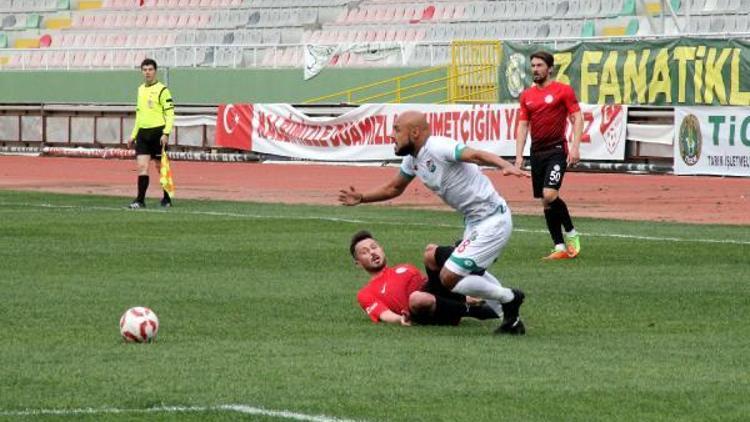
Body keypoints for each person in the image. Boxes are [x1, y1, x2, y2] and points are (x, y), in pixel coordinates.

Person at [339, 111, 529, 334]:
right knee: (435, 257)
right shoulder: (413, 160)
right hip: (474, 222)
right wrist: (362, 198)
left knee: (449, 277)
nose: (392, 136)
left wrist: (503, 165)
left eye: (397, 130)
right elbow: (394, 188)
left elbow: (474, 154)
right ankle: (510, 320)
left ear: (415, 132)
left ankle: (509, 298)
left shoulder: (438, 147)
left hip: (492, 220)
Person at [350, 230, 503, 327]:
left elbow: (434, 285)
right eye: (365, 252)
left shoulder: (406, 268)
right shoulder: (365, 293)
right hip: (421, 312)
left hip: (440, 301)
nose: (372, 252)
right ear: (358, 263)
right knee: (417, 298)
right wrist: (400, 319)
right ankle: (476, 312)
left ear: (382, 249)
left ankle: (471, 259)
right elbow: (383, 314)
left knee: (430, 251)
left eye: (374, 247)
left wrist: (468, 296)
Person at [514, 51, 583, 260]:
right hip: (537, 153)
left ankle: (571, 233)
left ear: (550, 68)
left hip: (556, 150)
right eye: (533, 65)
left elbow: (577, 118)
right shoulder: (527, 95)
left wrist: (575, 147)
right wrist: (518, 155)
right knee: (545, 202)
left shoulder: (563, 91)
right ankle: (559, 247)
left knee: (550, 194)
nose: (535, 69)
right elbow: (523, 126)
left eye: (539, 65)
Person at [127, 58, 175, 209]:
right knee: (142, 167)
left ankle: (167, 198)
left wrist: (166, 133)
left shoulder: (163, 90)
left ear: (155, 71)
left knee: (161, 167)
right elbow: (139, 114)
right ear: (142, 72)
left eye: (150, 69)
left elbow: (170, 113)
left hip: (158, 133)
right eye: (145, 70)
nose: (147, 72)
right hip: (143, 134)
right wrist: (133, 135)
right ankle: (140, 200)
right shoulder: (140, 89)